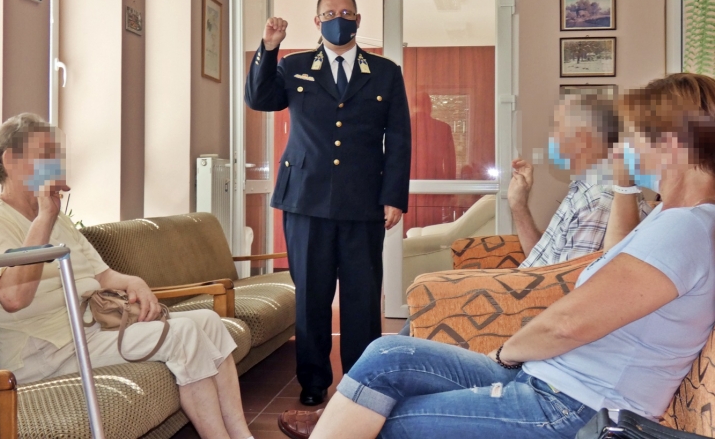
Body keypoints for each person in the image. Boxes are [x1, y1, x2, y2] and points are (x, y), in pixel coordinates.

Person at [276, 72, 715, 439]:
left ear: (671, 144)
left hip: (574, 406)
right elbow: (610, 258)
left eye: (636, 136)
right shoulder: (670, 216)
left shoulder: (685, 229)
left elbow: (567, 324)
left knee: (384, 423)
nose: (625, 146)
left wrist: (505, 355)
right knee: (387, 354)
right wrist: (624, 183)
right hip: (550, 378)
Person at [0, 113, 254, 439]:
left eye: (56, 156)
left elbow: (102, 275)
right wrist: (45, 217)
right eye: (45, 155)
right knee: (184, 334)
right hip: (43, 353)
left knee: (209, 322)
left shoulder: (58, 219)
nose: (55, 164)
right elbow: (14, 298)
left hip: (87, 331)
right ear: (11, 160)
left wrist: (135, 283)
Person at [245, 0, 411, 406]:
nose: (339, 18)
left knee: (362, 297)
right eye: (330, 12)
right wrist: (269, 48)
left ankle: (360, 383)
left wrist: (393, 196)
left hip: (363, 201)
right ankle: (314, 381)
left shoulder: (385, 72)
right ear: (317, 22)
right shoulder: (295, 65)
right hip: (305, 199)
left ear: (358, 20)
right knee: (312, 296)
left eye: (346, 12)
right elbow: (259, 99)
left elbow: (399, 138)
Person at [510, 92, 652, 268]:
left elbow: (567, 278)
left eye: (557, 128)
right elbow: (544, 262)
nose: (551, 138)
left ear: (585, 137)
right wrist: (519, 205)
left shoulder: (599, 197)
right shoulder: (584, 187)